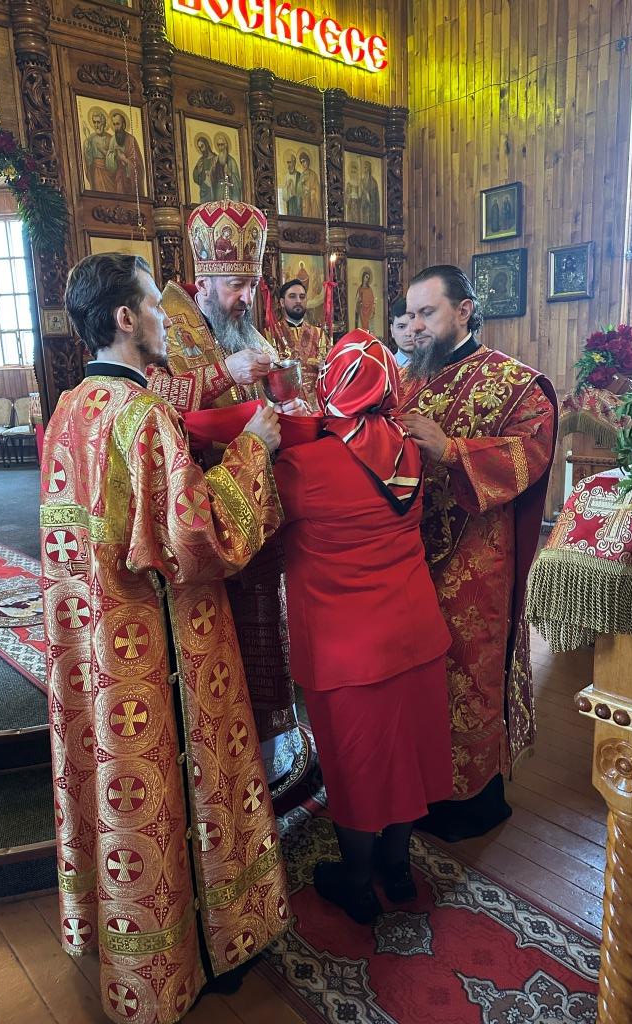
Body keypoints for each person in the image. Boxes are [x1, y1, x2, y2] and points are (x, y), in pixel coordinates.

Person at [41, 252, 289, 1023]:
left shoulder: (68, 409)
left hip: (97, 648)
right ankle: (208, 952)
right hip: (162, 644)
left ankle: (139, 947)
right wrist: (256, 448)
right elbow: (197, 542)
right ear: (125, 317)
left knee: (129, 796)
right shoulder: (140, 413)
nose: (164, 319)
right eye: (153, 304)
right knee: (182, 785)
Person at [273, 330, 453, 924]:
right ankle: (396, 870)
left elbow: (259, 528)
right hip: (414, 631)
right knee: (407, 757)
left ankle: (355, 880)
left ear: (331, 385)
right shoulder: (409, 451)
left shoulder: (301, 465)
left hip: (344, 646)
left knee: (354, 767)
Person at [148, 201, 309, 789]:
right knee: (217, 644)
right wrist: (224, 374)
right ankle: (216, 763)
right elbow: (150, 401)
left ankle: (265, 752)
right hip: (202, 517)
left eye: (252, 283)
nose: (246, 297)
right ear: (206, 278)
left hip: (255, 506)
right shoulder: (168, 323)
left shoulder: (247, 329)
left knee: (263, 632)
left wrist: (288, 394)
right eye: (236, 284)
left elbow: (266, 398)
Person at [397, 265, 558, 841]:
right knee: (414, 675)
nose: (415, 325)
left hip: (475, 563)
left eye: (427, 313)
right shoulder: (406, 379)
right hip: (406, 560)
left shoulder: (516, 384)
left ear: (464, 310)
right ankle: (415, 788)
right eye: (410, 314)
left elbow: (530, 453)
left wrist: (451, 449)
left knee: (469, 674)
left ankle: (469, 801)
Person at [269, 278, 330, 404]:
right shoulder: (271, 334)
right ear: (282, 302)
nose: (298, 301)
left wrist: (327, 367)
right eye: (292, 296)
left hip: (317, 405)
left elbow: (333, 369)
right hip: (286, 406)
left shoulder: (320, 334)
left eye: (302, 297)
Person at [106, 110, 145, 196]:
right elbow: (109, 162)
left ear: (123, 125)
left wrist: (125, 160)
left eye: (118, 124)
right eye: (114, 124)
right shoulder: (113, 140)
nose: (116, 127)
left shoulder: (131, 140)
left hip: (130, 180)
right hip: (119, 178)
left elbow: (138, 165)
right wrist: (114, 156)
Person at [82, 109, 115, 193]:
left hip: (109, 173)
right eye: (94, 122)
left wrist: (103, 151)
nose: (96, 125)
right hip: (96, 172)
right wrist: (87, 140)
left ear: (103, 123)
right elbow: (88, 159)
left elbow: (115, 161)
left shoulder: (111, 138)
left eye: (98, 122)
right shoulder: (91, 138)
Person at [211, 132, 243, 201]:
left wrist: (229, 173)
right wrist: (213, 170)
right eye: (218, 145)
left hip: (229, 192)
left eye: (222, 145)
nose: (220, 147)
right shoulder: (215, 160)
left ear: (225, 145)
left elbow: (237, 182)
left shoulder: (231, 161)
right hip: (218, 191)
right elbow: (212, 180)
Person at [388, 295, 415, 366]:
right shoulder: (384, 368)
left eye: (414, 326)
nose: (408, 333)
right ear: (392, 330)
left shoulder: (439, 368)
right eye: (401, 327)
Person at [298, 150, 322, 218]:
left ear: (308, 161)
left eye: (304, 161)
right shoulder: (301, 175)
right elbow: (299, 191)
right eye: (301, 162)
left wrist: (312, 191)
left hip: (312, 201)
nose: (303, 164)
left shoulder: (313, 174)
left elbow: (317, 189)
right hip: (305, 202)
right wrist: (301, 185)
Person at [192, 133, 216, 202]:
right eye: (199, 148)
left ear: (207, 144)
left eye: (202, 146)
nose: (201, 149)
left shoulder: (216, 159)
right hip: (204, 191)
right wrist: (198, 171)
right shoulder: (201, 161)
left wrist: (211, 173)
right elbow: (195, 178)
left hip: (214, 190)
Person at [281, 151, 301, 216]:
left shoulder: (300, 176)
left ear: (294, 163)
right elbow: (284, 196)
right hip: (290, 205)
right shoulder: (286, 177)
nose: (288, 165)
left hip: (299, 206)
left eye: (290, 162)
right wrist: (287, 186)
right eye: (287, 163)